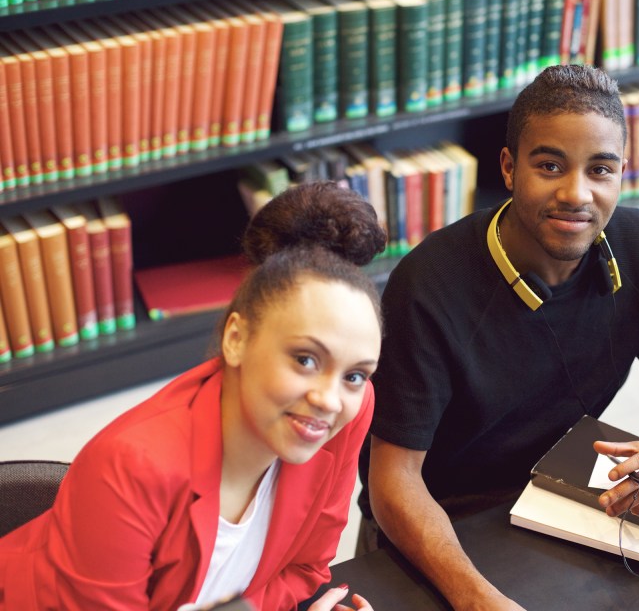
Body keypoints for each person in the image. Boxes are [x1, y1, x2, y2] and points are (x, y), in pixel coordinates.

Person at [358, 64, 639, 610]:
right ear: (509, 168)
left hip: (558, 500)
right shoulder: (427, 285)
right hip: (437, 528)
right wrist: (477, 600)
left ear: (622, 173)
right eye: (550, 166)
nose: (576, 194)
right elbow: (393, 483)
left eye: (600, 170)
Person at [0, 183, 385, 611]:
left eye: (355, 374)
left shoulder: (347, 410)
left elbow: (304, 569)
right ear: (236, 339)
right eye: (305, 359)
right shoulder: (128, 468)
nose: (330, 399)